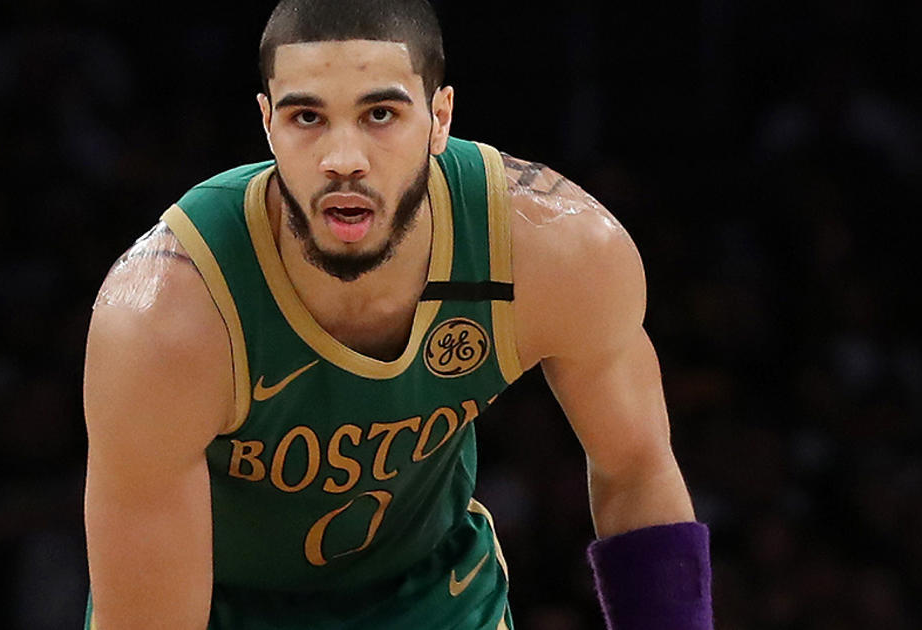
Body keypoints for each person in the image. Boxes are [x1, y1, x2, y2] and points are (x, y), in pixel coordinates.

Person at [82, 1, 713, 628]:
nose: (344, 158)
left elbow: (636, 469)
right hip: (220, 604)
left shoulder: (556, 249)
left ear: (440, 119)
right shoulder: (164, 320)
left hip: (434, 594)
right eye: (308, 117)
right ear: (268, 125)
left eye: (380, 114)